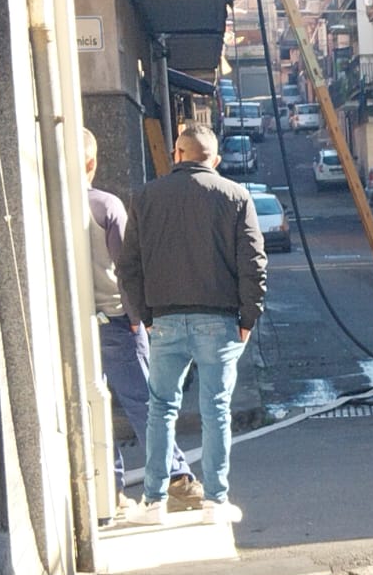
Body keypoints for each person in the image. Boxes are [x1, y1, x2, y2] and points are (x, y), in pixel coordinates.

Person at [117, 123, 267, 526]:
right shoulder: (236, 196)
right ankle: (215, 502)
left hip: (164, 319)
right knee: (216, 409)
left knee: (160, 409)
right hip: (220, 319)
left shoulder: (145, 197)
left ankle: (154, 502)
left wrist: (145, 315)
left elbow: (128, 266)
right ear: (214, 160)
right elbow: (253, 263)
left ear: (177, 154)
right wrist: (248, 316)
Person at [81, 128, 203, 516]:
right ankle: (177, 479)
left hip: (73, 323)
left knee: (89, 406)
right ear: (91, 162)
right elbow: (128, 268)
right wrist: (140, 319)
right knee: (146, 404)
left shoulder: (49, 207)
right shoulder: (106, 206)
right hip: (117, 319)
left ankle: (109, 489)